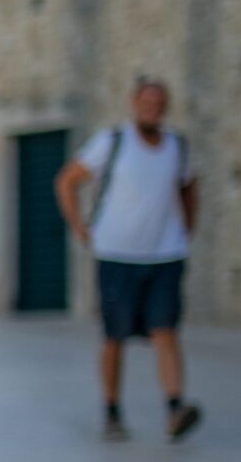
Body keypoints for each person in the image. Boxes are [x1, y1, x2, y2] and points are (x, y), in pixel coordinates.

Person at [54, 78, 203, 441]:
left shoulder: (177, 146)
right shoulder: (112, 142)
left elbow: (189, 187)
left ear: (165, 107)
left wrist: (187, 228)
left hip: (165, 254)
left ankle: (174, 407)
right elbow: (67, 180)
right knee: (114, 336)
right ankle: (112, 410)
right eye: (146, 101)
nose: (152, 108)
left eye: (159, 102)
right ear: (135, 103)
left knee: (165, 330)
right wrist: (79, 227)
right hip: (117, 255)